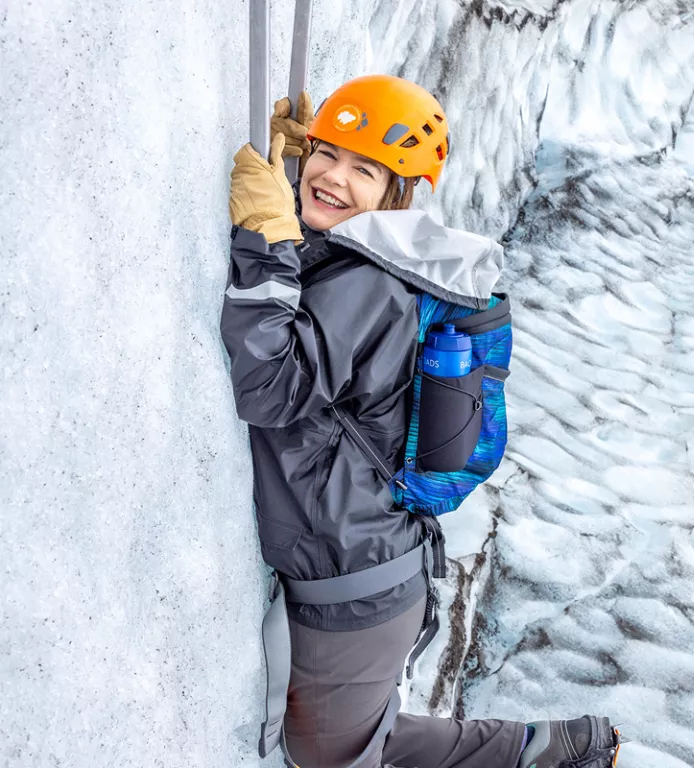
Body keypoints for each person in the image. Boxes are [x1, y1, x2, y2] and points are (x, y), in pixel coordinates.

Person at [221, 74, 624, 768]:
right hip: (363, 570)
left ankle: (550, 754)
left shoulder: (370, 284)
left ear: (398, 194)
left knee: (333, 759)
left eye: (365, 170)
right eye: (326, 154)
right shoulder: (372, 263)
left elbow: (273, 387)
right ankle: (549, 752)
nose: (334, 178)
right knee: (347, 751)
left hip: (354, 582)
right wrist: (289, 191)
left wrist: (262, 238)